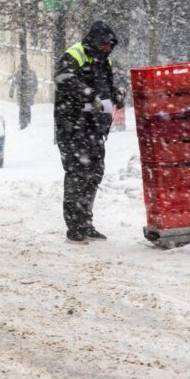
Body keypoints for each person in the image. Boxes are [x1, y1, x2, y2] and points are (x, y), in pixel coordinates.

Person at [54, 20, 124, 243]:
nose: (106, 49)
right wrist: (88, 94)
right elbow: (64, 79)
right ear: (95, 41)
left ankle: (86, 222)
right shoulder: (74, 54)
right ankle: (74, 226)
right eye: (104, 45)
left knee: (94, 173)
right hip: (73, 124)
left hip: (95, 126)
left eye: (109, 46)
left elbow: (106, 86)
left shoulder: (105, 61)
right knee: (77, 173)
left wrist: (116, 95)